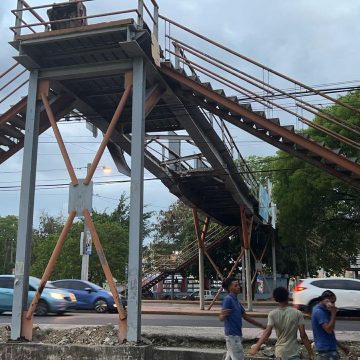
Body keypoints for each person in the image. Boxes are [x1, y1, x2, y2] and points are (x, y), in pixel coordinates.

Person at [249, 286, 313, 360]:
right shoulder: (297, 313)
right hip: (293, 352)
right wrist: (310, 353)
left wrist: (256, 347)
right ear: (287, 297)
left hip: (280, 352)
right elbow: (303, 336)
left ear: (276, 299)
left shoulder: (272, 314)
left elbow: (267, 332)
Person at [219, 277, 266, 360]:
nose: (238, 287)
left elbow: (245, 316)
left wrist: (261, 325)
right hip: (232, 336)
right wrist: (223, 315)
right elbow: (221, 318)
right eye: (236, 285)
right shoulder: (228, 299)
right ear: (230, 288)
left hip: (236, 335)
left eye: (238, 285)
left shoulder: (236, 301)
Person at [311, 290, 349, 360]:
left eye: (334, 302)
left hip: (327, 349)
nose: (333, 304)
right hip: (327, 351)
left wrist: (341, 347)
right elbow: (329, 329)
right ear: (325, 300)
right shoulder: (320, 312)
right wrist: (333, 313)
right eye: (332, 302)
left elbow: (330, 334)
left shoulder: (320, 309)